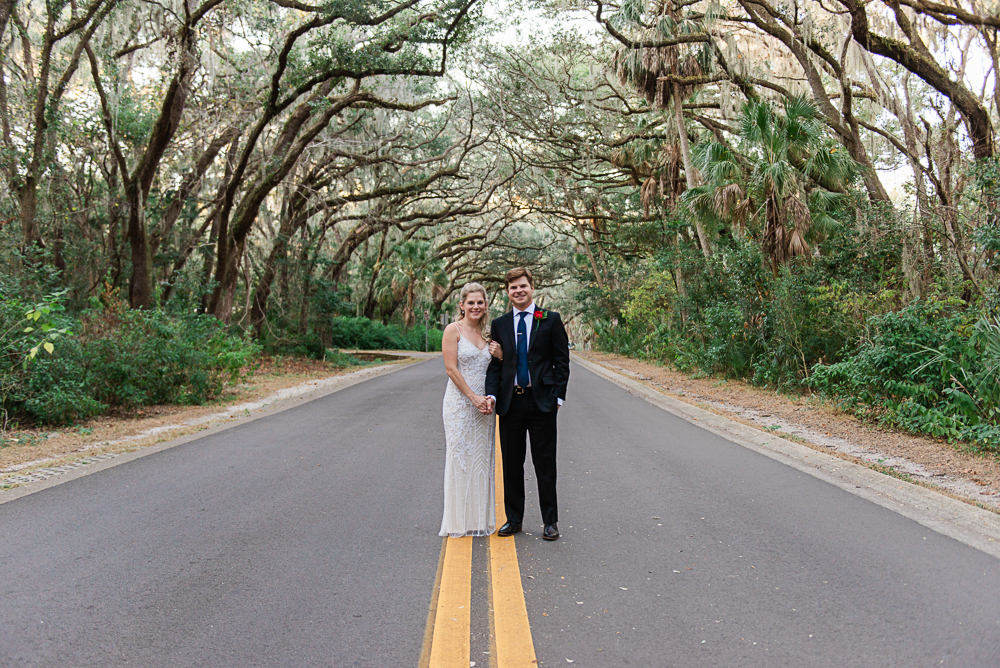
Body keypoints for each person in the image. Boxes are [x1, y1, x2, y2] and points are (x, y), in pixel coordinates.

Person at [485, 268, 570, 541]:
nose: (518, 291)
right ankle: (514, 519)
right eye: (513, 288)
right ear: (507, 292)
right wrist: (494, 395)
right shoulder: (499, 324)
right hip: (510, 403)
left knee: (545, 464)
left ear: (532, 287)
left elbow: (561, 362)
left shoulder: (550, 319)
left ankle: (550, 522)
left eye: (523, 286)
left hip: (542, 402)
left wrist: (558, 397)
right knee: (511, 464)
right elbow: (496, 367)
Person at [439, 283, 497, 538]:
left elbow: (495, 370)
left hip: (485, 406)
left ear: (486, 305)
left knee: (481, 460)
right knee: (460, 458)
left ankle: (476, 518)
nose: (476, 306)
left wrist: (487, 399)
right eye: (471, 302)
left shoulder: (488, 335)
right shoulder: (453, 331)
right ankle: (456, 522)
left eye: (480, 302)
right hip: (460, 404)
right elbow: (451, 369)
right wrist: (472, 397)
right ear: (461, 305)